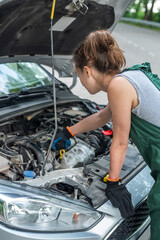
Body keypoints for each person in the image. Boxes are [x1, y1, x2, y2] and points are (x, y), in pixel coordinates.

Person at [52, 30, 160, 239]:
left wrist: (114, 181)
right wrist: (69, 132)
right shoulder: (127, 79)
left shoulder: (118, 86)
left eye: (78, 76)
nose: (81, 82)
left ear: (87, 71)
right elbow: (102, 117)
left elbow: (119, 142)